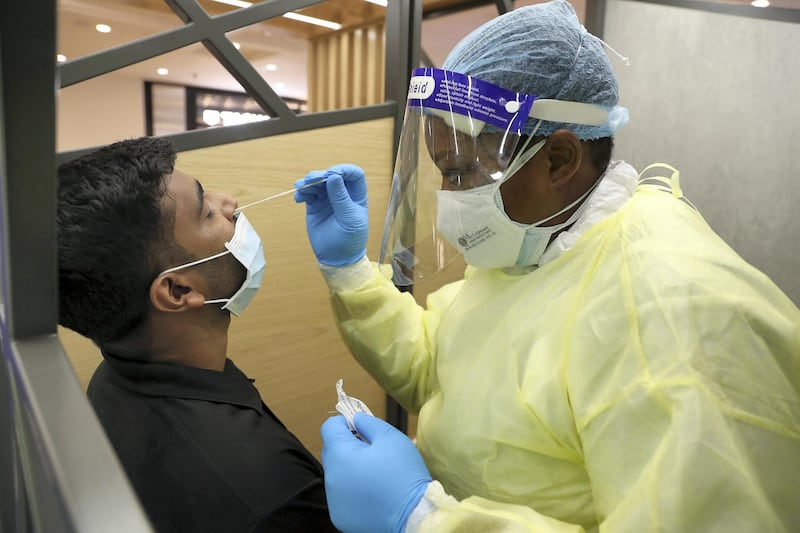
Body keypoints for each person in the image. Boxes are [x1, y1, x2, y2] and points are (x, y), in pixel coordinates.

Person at [293, 1, 800, 532]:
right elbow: (443, 367)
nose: (449, 199)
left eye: (463, 171)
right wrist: (350, 273)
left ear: (558, 159)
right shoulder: (534, 247)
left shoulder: (675, 310)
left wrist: (426, 521)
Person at [57, 137, 338, 532]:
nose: (230, 204)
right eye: (206, 211)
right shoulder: (273, 493)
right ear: (178, 291)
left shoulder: (112, 379)